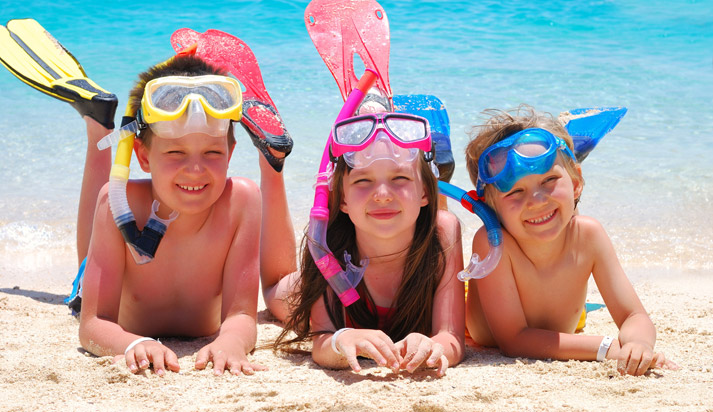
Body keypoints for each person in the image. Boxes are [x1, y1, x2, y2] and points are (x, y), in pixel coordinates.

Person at [75, 54, 285, 377]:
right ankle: (97, 129)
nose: (195, 169)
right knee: (86, 264)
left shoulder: (241, 202)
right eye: (175, 152)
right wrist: (132, 344)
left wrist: (231, 342)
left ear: (230, 153)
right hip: (111, 272)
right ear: (143, 156)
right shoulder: (118, 203)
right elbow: (93, 323)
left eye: (212, 152)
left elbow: (242, 315)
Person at [463, 105, 676, 376]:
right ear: (491, 208)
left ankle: (568, 157)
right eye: (515, 191)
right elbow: (514, 340)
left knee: (560, 216)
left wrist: (638, 343)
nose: (536, 200)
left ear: (577, 183)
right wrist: (609, 347)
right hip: (499, 310)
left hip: (569, 320)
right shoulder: (493, 243)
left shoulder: (588, 236)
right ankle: (442, 165)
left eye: (548, 180)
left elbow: (634, 316)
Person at [266, 109, 465, 377]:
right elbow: (322, 340)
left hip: (423, 222)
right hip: (305, 285)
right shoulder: (326, 244)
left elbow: (451, 337)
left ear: (427, 192)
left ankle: (389, 122)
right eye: (363, 180)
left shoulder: (444, 231)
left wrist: (435, 345)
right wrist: (341, 340)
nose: (382, 195)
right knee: (274, 291)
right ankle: (270, 164)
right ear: (343, 199)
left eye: (400, 178)